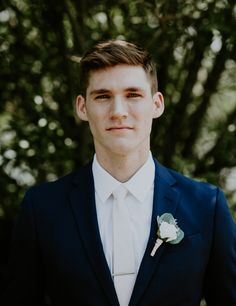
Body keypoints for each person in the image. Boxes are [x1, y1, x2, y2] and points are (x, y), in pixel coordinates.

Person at [2, 40, 236, 306]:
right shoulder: (42, 208)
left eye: (133, 95)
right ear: (82, 107)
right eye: (103, 96)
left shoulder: (207, 206)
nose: (118, 112)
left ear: (157, 104)